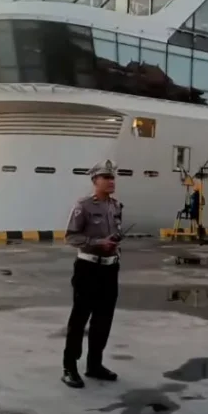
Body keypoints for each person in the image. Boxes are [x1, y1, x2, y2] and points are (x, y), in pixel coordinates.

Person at [62, 159, 123, 389]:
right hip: (88, 268)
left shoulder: (116, 206)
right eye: (106, 177)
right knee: (79, 319)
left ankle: (94, 364)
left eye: (113, 177)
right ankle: (69, 367)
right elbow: (70, 237)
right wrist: (98, 243)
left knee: (103, 319)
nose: (111, 181)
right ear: (95, 180)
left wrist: (113, 244)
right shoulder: (84, 206)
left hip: (110, 268)